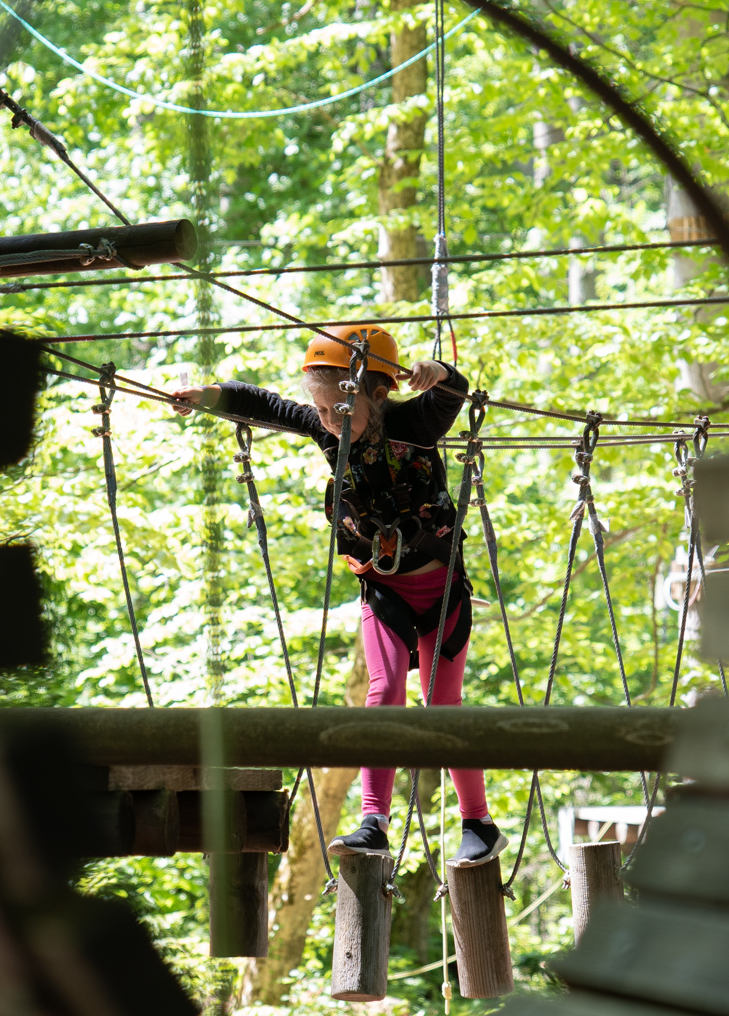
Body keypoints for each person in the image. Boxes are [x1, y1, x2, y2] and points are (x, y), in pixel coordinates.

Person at [172, 323, 502, 866]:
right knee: (384, 689)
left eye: (339, 411)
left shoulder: (416, 423)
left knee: (442, 705)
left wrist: (437, 372)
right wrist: (207, 397)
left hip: (441, 591)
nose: (329, 423)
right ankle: (374, 819)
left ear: (378, 394)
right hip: (383, 589)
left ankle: (478, 822)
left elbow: (452, 395)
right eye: (322, 411)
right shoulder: (328, 430)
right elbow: (263, 404)